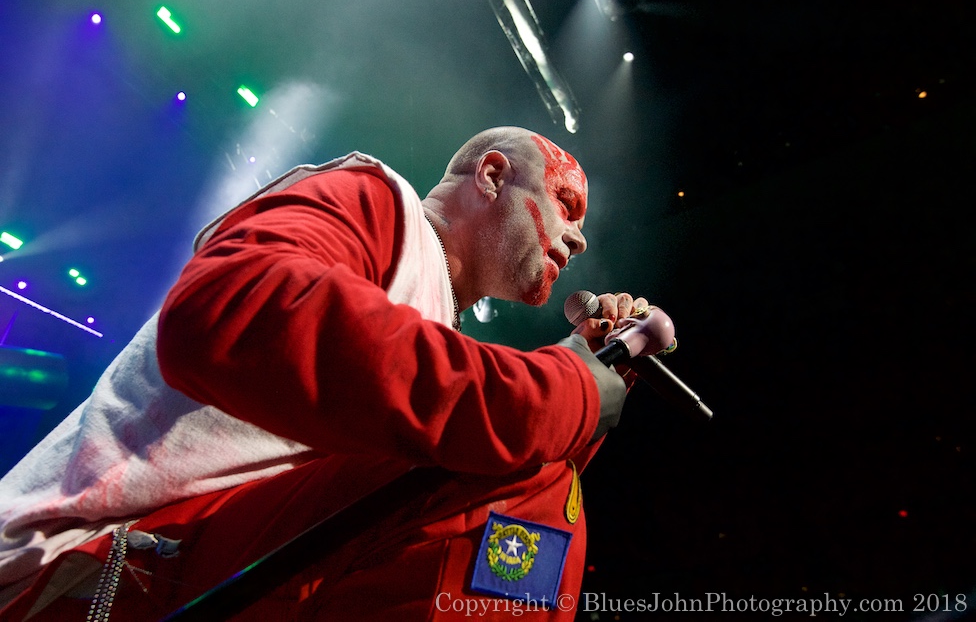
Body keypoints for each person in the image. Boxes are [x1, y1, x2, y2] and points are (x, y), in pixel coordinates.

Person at [0, 126, 650, 620]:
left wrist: (590, 370)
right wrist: (556, 393)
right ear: (490, 173)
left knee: (521, 442)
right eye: (565, 202)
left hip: (186, 558)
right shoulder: (375, 200)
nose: (581, 237)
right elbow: (225, 308)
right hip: (82, 560)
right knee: (519, 446)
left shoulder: (433, 316)